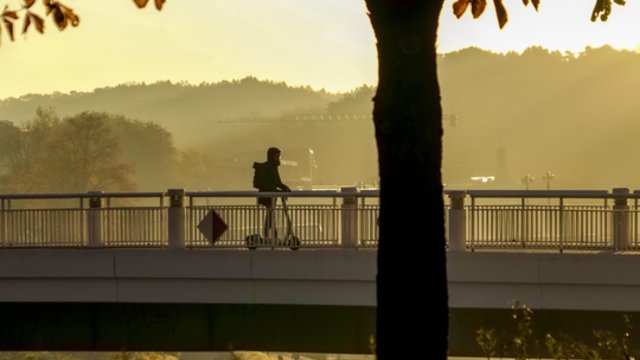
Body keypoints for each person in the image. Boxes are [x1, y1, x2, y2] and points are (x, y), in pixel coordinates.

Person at [253, 147, 290, 239]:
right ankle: (270, 236)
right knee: (270, 216)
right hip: (268, 195)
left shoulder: (269, 166)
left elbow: (276, 183)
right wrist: (285, 189)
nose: (278, 158)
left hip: (267, 195)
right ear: (272, 156)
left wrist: (284, 189)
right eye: (277, 156)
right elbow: (277, 182)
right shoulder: (272, 166)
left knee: (270, 215)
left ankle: (271, 236)